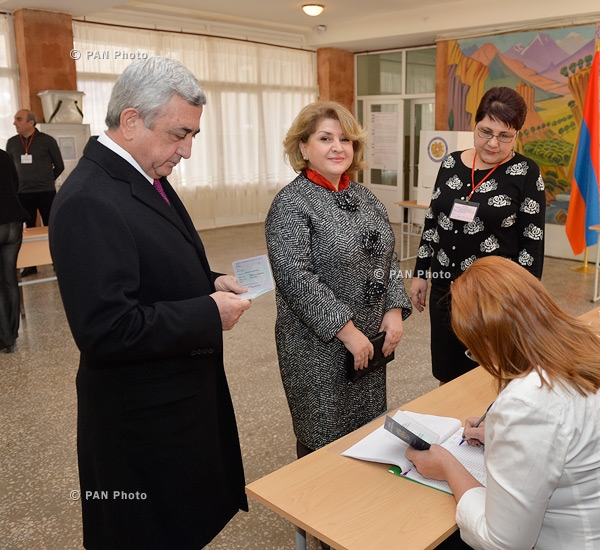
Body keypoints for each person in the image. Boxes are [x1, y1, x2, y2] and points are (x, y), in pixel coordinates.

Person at [49, 57, 251, 549]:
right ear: (132, 120)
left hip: (172, 406)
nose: (185, 151)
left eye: (193, 137)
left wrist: (210, 280)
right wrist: (207, 312)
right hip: (137, 422)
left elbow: (148, 267)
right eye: (179, 134)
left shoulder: (143, 176)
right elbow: (106, 327)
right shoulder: (89, 199)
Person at [406, 256, 600, 550]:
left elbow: (502, 543)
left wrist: (447, 466)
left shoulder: (528, 401)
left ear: (494, 341)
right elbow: (575, 432)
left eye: (475, 351)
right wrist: (502, 437)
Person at [265, 101, 412, 459]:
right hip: (319, 346)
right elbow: (295, 277)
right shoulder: (291, 203)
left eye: (345, 140)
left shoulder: (365, 197)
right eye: (325, 138)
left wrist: (393, 310)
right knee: (323, 435)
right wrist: (348, 333)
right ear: (303, 147)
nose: (337, 147)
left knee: (366, 431)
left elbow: (387, 255)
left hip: (369, 340)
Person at [410, 87, 545, 384]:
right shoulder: (451, 163)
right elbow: (433, 218)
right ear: (474, 124)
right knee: (447, 373)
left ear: (517, 135)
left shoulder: (526, 173)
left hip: (494, 297)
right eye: (485, 132)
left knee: (488, 377)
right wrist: (421, 273)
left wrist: (523, 303)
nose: (493, 143)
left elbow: (532, 242)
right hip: (446, 288)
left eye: (504, 136)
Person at [6, 109, 64, 276]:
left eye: (19, 119)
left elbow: (59, 165)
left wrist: (46, 180)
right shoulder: (12, 143)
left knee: (51, 227)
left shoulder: (47, 141)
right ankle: (30, 265)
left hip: (46, 192)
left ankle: (56, 261)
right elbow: (9, 169)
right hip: (23, 194)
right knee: (27, 229)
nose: (14, 123)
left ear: (31, 123)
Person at [0, 148, 28, 353]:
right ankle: (13, 334)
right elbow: (16, 183)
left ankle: (5, 338)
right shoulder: (4, 155)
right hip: (14, 220)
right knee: (10, 279)